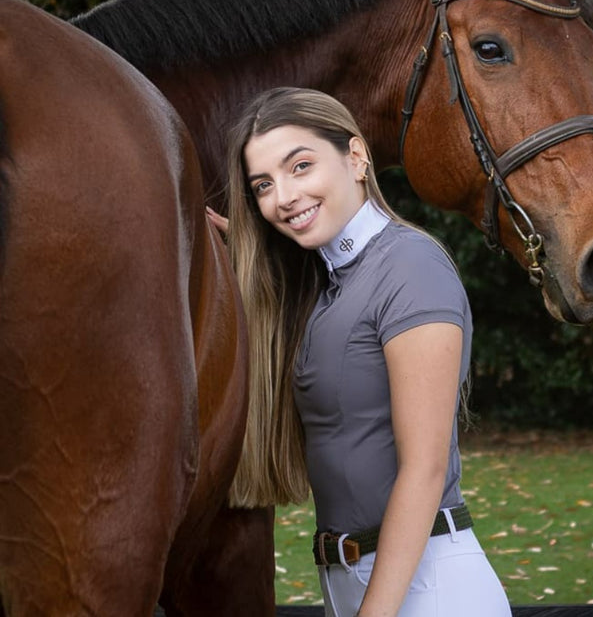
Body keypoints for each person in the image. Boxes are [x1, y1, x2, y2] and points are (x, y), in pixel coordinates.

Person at [207, 87, 511, 617]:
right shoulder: (320, 286)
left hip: (428, 587)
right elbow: (281, 275)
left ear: (356, 157)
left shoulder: (410, 267)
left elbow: (424, 469)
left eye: (300, 166)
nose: (283, 197)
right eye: (264, 185)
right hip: (348, 583)